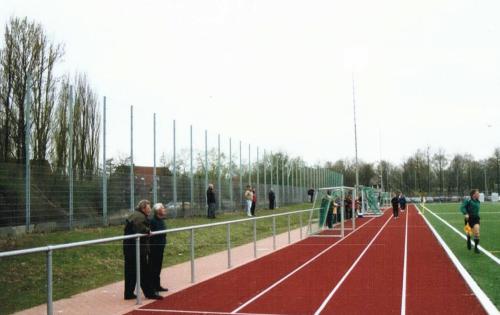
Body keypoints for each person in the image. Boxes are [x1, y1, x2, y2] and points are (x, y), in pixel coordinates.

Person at [123, 200, 163, 300]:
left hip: (129, 248)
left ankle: (128, 293)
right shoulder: (139, 217)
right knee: (144, 272)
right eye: (148, 208)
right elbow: (140, 229)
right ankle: (150, 293)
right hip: (136, 249)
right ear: (143, 208)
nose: (150, 210)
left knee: (130, 272)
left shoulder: (135, 214)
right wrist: (148, 231)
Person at [150, 203, 168, 294]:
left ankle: (157, 285)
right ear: (158, 211)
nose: (164, 210)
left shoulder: (161, 220)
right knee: (153, 267)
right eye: (163, 208)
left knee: (158, 267)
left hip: (161, 246)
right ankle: (152, 287)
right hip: (154, 248)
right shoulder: (152, 221)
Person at [460, 189, 481, 253]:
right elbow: (462, 207)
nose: (479, 194)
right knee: (469, 233)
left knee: (477, 232)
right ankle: (468, 239)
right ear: (473, 194)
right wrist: (465, 213)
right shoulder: (468, 200)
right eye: (478, 193)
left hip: (476, 219)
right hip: (468, 219)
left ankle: (476, 247)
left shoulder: (478, 201)